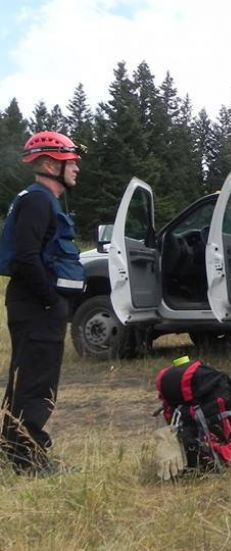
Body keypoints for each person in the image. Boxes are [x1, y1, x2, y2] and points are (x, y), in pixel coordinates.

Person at [0, 131, 85, 476]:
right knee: (36, 384)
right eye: (71, 160)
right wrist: (50, 300)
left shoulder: (41, 200)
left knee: (29, 379)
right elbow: (26, 255)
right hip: (36, 306)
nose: (77, 167)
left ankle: (14, 450)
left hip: (35, 305)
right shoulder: (37, 200)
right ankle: (28, 461)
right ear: (51, 163)